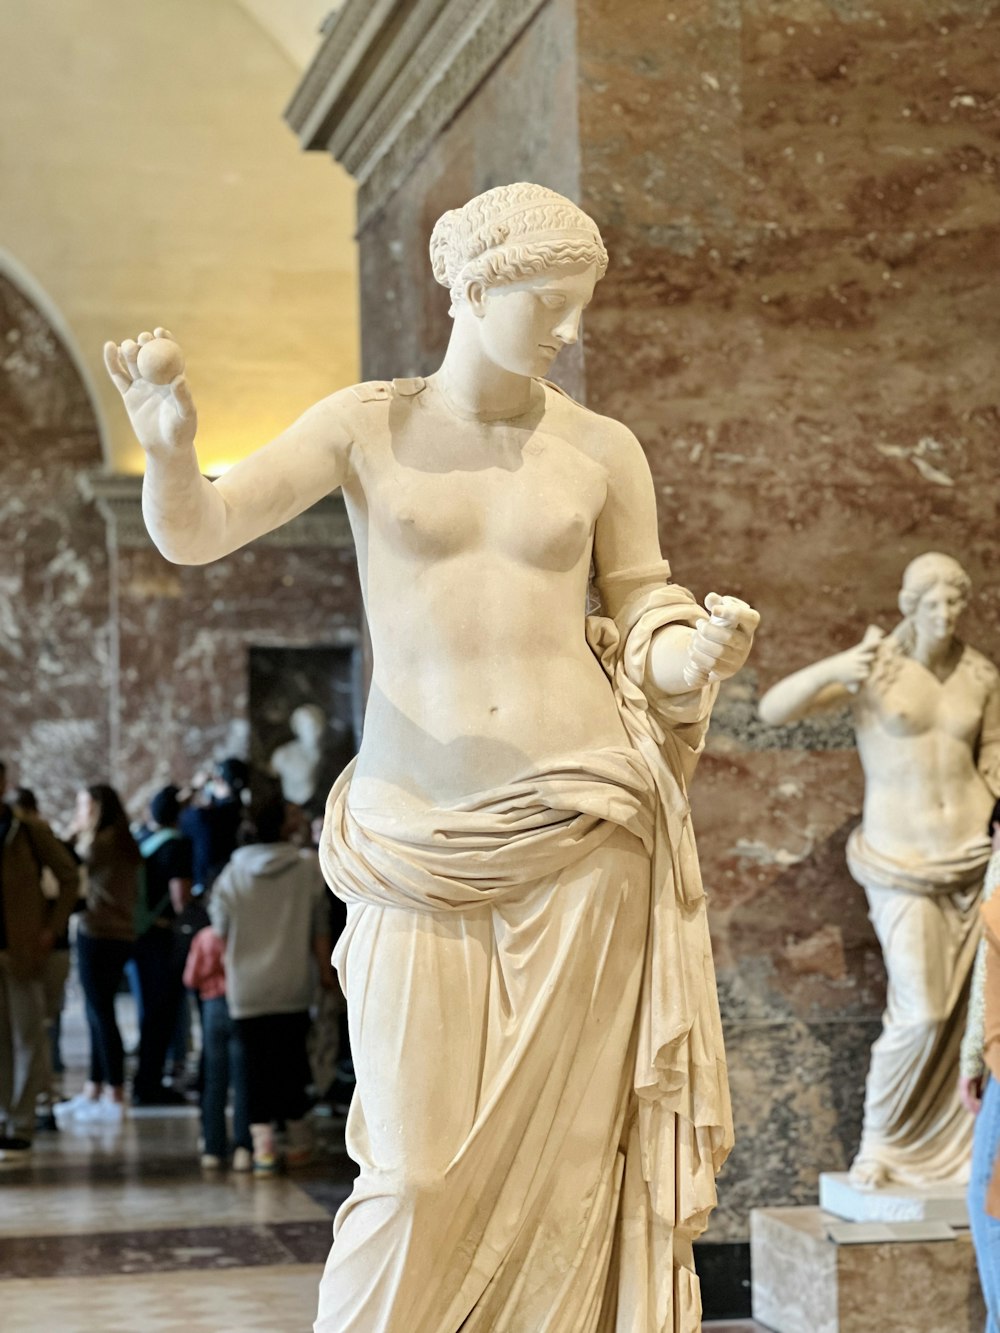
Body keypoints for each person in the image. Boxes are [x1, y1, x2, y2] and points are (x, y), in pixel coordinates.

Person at [105, 182, 758, 1331]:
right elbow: (198, 530)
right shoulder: (366, 424)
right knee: (410, 1174)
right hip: (417, 832)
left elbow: (644, 606)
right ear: (469, 285)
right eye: (546, 300)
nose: (566, 328)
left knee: (567, 1168)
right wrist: (169, 451)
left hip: (586, 822)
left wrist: (686, 658)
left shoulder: (600, 446)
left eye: (578, 304)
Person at [760, 553, 1000, 1189]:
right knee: (920, 1013)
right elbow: (773, 711)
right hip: (902, 865)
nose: (945, 617)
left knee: (965, 1026)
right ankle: (883, 1146)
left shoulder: (980, 674)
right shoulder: (877, 672)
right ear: (906, 606)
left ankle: (960, 1155)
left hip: (974, 862)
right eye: (931, 605)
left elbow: (995, 755)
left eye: (955, 603)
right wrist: (837, 668)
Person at [209, 797, 332, 1174]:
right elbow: (319, 932)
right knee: (293, 1063)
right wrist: (328, 977)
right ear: (283, 826)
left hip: (246, 986)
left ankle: (263, 1150)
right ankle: (297, 1144)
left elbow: (220, 930)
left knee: (254, 1070)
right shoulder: (307, 868)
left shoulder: (232, 872)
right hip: (292, 982)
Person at [0, 765, 78, 1158]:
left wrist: (51, 927)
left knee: (28, 1035)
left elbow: (69, 877)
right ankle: (3, 1115)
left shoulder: (27, 831)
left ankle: (21, 1121)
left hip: (22, 948)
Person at [58, 785, 138, 1124]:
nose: (79, 812)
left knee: (101, 1013)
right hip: (117, 931)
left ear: (98, 807)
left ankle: (114, 1090)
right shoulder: (120, 838)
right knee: (96, 1012)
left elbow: (66, 861)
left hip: (100, 931)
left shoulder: (103, 842)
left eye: (83, 805)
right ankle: (95, 1087)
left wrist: (73, 831)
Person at [131, 785, 194, 1106]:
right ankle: (150, 1085)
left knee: (149, 1013)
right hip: (163, 936)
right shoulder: (177, 846)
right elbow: (179, 898)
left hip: (140, 936)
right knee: (162, 1013)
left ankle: (145, 1081)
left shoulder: (144, 841)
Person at [183, 921, 251, 1171]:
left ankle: (212, 1148)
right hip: (242, 1005)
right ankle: (244, 1147)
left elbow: (190, 977)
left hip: (212, 1007)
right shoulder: (246, 931)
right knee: (243, 1080)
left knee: (214, 1080)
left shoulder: (205, 936)